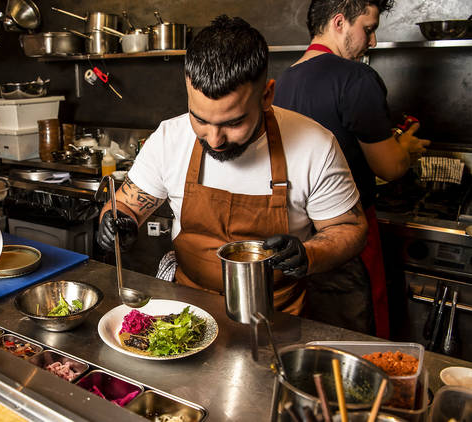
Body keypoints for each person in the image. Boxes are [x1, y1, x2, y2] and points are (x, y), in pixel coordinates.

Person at [97, 15, 368, 318]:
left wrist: (310, 253)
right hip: (187, 309)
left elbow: (349, 228)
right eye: (199, 119)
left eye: (233, 122)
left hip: (277, 314)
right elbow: (124, 205)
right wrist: (116, 221)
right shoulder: (169, 138)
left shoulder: (314, 145)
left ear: (266, 96)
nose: (214, 140)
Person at [273, 0, 430, 336]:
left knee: (310, 332)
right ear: (340, 22)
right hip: (348, 230)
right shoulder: (357, 78)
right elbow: (389, 168)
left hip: (296, 233)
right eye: (369, 29)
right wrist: (407, 148)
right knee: (359, 332)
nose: (371, 42)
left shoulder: (283, 80)